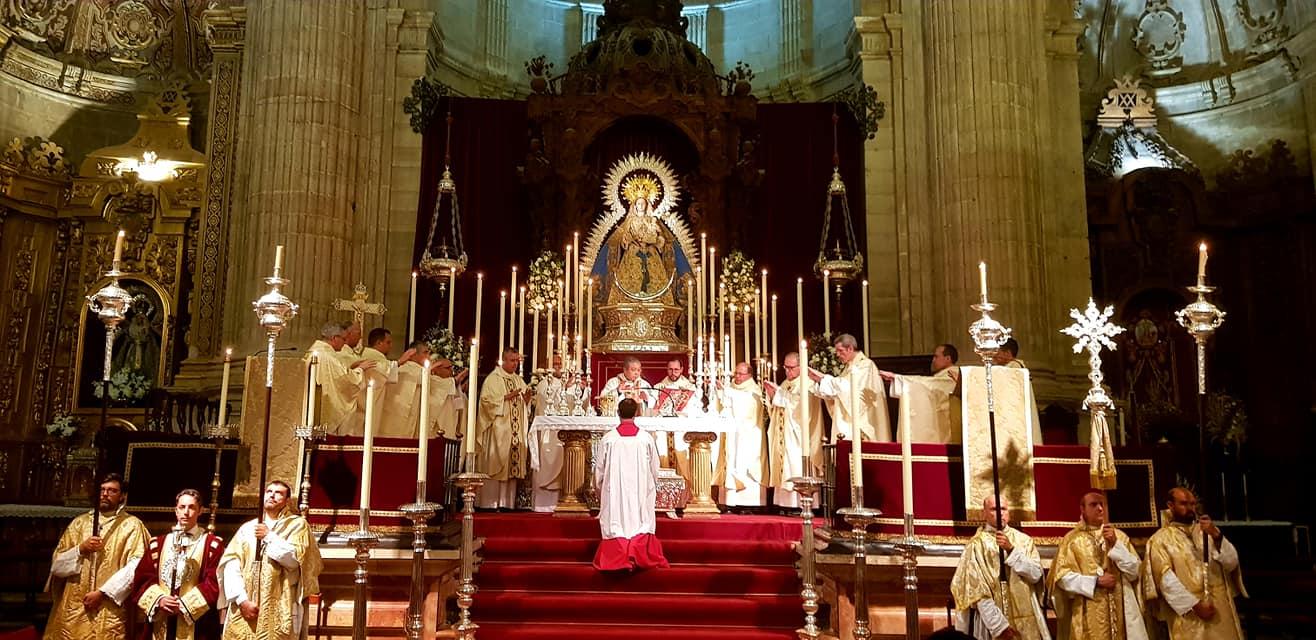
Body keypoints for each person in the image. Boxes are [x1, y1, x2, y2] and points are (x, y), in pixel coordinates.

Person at [44, 473, 150, 640]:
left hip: (109, 605)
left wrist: (103, 592)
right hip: (75, 605)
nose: (105, 494)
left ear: (122, 496)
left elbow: (136, 566)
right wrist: (80, 549)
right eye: (102, 490)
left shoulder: (132, 526)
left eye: (112, 490)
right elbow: (57, 566)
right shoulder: (79, 523)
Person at [217, 481, 322, 640]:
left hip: (279, 606)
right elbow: (231, 565)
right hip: (245, 606)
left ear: (287, 501)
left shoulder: (297, 525)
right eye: (269, 491)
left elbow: (295, 561)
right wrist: (241, 600)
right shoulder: (247, 528)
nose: (272, 495)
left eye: (278, 493)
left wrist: (269, 536)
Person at [1144, 487, 1246, 640]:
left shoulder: (1208, 532)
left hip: (1219, 606)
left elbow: (1231, 563)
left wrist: (1217, 536)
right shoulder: (1160, 539)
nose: (1190, 508)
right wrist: (1196, 606)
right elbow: (1165, 580)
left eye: (1192, 504)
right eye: (1183, 504)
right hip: (1190, 613)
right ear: (1170, 505)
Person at [1048, 492, 1148, 640]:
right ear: (1083, 509)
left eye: (1102, 504)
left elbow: (1134, 572)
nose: (1100, 508)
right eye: (1094, 504)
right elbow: (1061, 579)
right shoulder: (1071, 540)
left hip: (1120, 614)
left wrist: (1115, 544)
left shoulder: (1119, 537)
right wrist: (1095, 582)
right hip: (1087, 614)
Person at [950, 496, 1050, 640]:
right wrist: (999, 626)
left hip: (1028, 618)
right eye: (994, 509)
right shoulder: (976, 545)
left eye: (1003, 508)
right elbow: (977, 592)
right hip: (993, 624)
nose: (1000, 513)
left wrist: (1011, 550)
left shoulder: (1024, 540)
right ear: (984, 513)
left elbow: (1035, 575)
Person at [132, 489, 225, 640]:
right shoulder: (157, 544)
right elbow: (142, 578)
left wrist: (183, 605)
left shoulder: (212, 545)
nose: (186, 512)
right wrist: (160, 600)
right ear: (176, 511)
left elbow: (214, 582)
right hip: (160, 620)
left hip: (198, 625)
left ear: (200, 511)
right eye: (182, 507)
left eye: (191, 507)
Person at [592, 398, 669, 572]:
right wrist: (651, 487)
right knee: (640, 519)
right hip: (640, 491)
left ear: (618, 413)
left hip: (615, 492)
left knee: (616, 521)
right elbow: (655, 468)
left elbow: (599, 469)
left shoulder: (609, 439)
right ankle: (640, 553)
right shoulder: (646, 438)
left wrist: (599, 488)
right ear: (637, 413)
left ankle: (617, 556)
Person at [764, 352, 823, 510]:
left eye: (791, 368)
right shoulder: (785, 384)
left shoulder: (808, 384)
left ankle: (801, 504)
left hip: (799, 436)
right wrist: (772, 397)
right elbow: (778, 408)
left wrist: (779, 395)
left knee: (796, 465)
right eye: (785, 367)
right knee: (786, 466)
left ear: (801, 366)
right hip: (785, 434)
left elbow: (800, 409)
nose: (787, 371)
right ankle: (785, 504)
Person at [808, 333, 892, 443]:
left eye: (840, 351)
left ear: (850, 349)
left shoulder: (865, 365)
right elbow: (839, 391)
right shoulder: (849, 366)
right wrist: (820, 381)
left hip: (864, 421)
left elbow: (847, 388)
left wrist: (822, 378)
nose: (837, 355)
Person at [477, 348, 533, 509]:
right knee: (496, 462)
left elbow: (524, 405)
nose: (515, 364)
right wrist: (506, 398)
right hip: (498, 431)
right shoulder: (493, 379)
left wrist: (527, 400)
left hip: (514, 431)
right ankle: (489, 503)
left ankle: (506, 503)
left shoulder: (518, 380)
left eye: (517, 361)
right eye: (512, 360)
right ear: (503, 360)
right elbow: (486, 402)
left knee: (511, 465)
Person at [380, 342, 464, 439]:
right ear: (413, 354)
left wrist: (455, 381)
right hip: (399, 416)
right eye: (425, 352)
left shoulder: (421, 371)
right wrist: (435, 367)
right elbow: (422, 377)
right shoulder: (405, 369)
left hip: (412, 418)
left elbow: (439, 383)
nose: (429, 356)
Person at [882, 343, 962, 443]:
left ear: (948, 358)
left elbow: (927, 384)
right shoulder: (943, 375)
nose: (933, 360)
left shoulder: (952, 375)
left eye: (936, 356)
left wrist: (897, 378)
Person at [306, 322, 371, 433]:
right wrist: (360, 369)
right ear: (334, 338)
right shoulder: (328, 357)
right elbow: (347, 379)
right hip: (327, 404)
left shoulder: (312, 352)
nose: (345, 343)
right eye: (343, 339)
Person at [717, 362, 765, 508]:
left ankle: (749, 504)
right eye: (736, 373)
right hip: (732, 435)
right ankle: (729, 501)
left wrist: (726, 393)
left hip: (748, 436)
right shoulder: (731, 388)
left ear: (749, 375)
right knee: (730, 460)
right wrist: (720, 393)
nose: (737, 376)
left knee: (745, 464)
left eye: (741, 374)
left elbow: (746, 409)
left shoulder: (754, 390)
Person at [654, 358, 700, 483]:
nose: (673, 373)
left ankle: (685, 484)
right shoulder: (658, 387)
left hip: (682, 428)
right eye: (670, 369)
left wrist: (683, 413)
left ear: (681, 370)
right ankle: (664, 484)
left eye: (676, 369)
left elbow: (696, 410)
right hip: (663, 429)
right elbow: (653, 409)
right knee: (661, 450)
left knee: (682, 453)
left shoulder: (690, 388)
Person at [530, 354, 566, 512]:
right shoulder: (543, 384)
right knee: (546, 461)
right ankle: (542, 505)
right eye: (555, 363)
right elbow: (547, 403)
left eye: (560, 363)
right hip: (547, 433)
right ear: (547, 366)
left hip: (560, 432)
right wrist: (565, 389)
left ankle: (559, 501)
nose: (558, 366)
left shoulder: (565, 382)